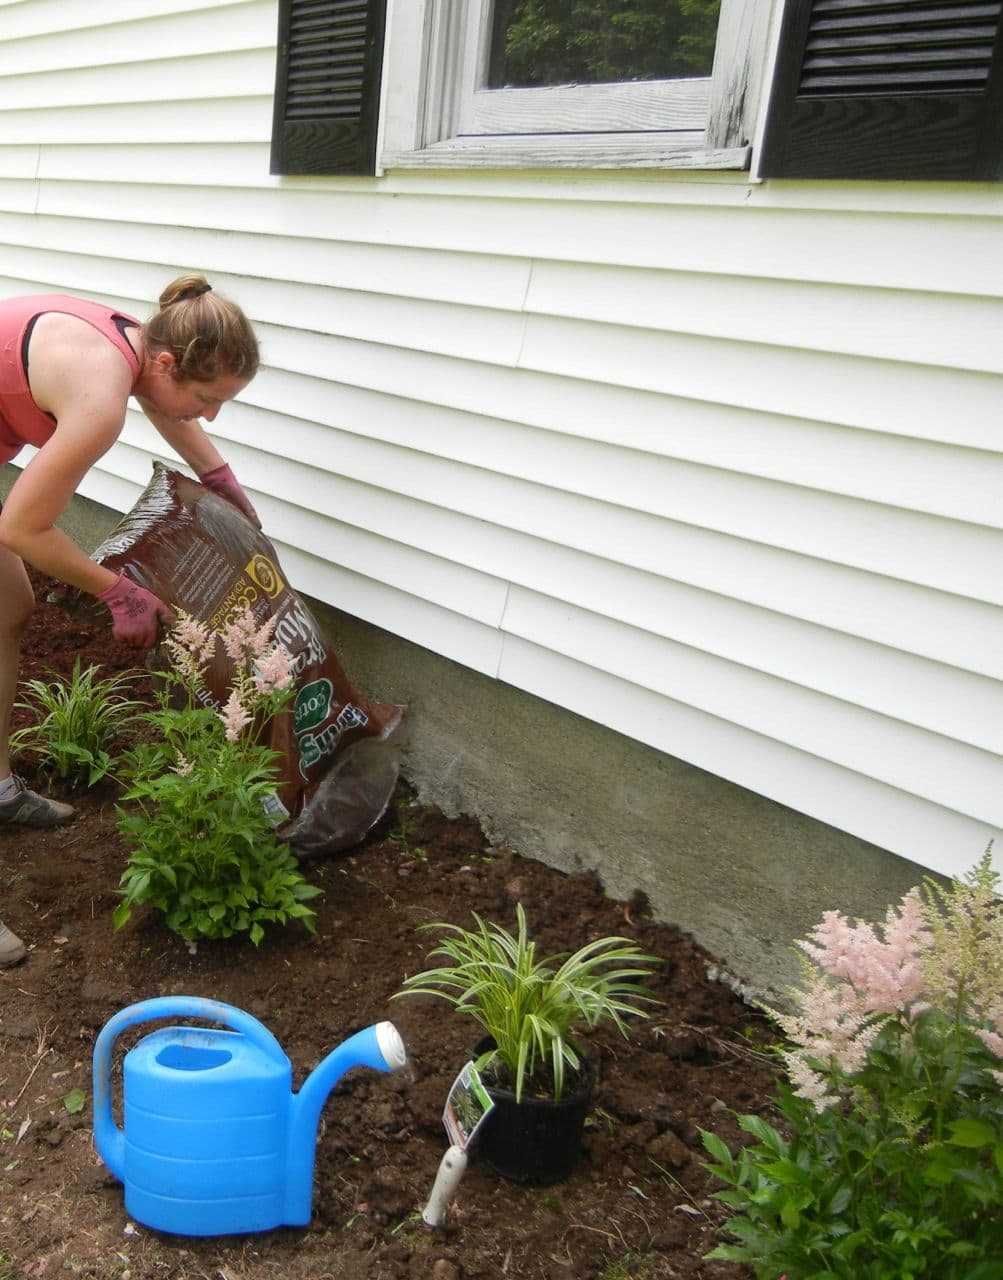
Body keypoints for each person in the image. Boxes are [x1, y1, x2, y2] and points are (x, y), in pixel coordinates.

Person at [0, 275, 260, 842]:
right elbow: (22, 527)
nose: (210, 416)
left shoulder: (137, 343)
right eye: (208, 399)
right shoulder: (100, 401)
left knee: (8, 610)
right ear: (169, 363)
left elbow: (167, 402)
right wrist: (117, 591)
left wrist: (219, 479)